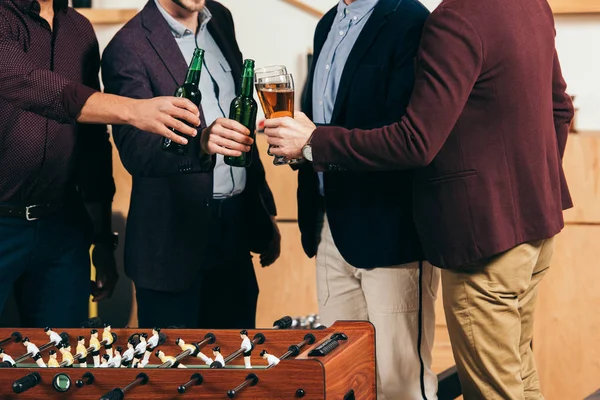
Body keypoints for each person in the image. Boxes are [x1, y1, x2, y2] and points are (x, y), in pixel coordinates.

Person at [260, 0, 574, 398]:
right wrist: (529, 193)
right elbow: (559, 109)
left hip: (481, 241)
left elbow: (416, 142)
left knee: (492, 389)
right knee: (519, 379)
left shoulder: (449, 19)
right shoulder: (531, 5)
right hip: (530, 230)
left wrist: (313, 142)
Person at [0, 0, 203, 328]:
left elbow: (93, 147)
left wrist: (102, 240)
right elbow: (29, 84)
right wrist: (134, 110)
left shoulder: (79, 30)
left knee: (64, 364)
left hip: (62, 228)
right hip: (2, 224)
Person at [101, 0, 280, 330]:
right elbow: (136, 150)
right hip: (171, 249)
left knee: (236, 373)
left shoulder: (221, 19)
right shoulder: (128, 46)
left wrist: (262, 213)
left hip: (236, 235)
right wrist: (200, 142)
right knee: (175, 379)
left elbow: (241, 120)